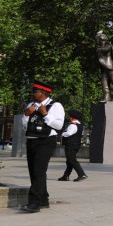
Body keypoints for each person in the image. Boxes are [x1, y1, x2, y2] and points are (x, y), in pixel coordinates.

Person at [21, 81, 65, 213]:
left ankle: (34, 202)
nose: (33, 93)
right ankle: (43, 199)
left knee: (39, 171)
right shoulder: (31, 105)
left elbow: (59, 126)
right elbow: (25, 125)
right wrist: (26, 115)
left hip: (45, 141)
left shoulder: (56, 106)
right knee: (33, 171)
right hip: (31, 140)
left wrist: (45, 114)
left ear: (44, 92)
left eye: (35, 91)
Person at [58, 109, 87, 182]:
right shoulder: (79, 125)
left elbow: (69, 133)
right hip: (76, 145)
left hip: (70, 145)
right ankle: (66, 176)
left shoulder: (73, 125)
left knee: (72, 160)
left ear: (71, 117)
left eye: (69, 116)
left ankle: (82, 174)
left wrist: (62, 134)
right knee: (69, 161)